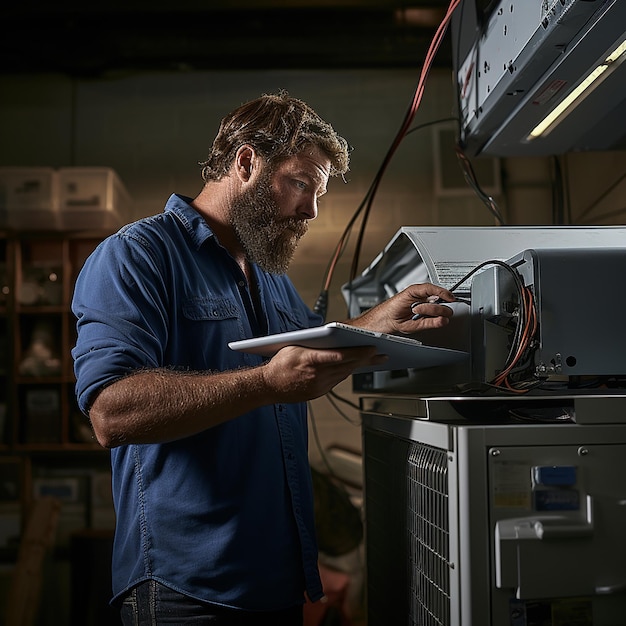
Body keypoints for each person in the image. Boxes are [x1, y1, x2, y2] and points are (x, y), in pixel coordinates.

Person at [71, 91, 455, 625]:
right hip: (186, 589)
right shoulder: (137, 256)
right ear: (247, 162)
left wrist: (379, 322)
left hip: (277, 581)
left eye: (317, 193)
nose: (311, 210)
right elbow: (111, 413)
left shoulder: (267, 273)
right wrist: (267, 385)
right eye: (301, 183)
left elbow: (309, 349)